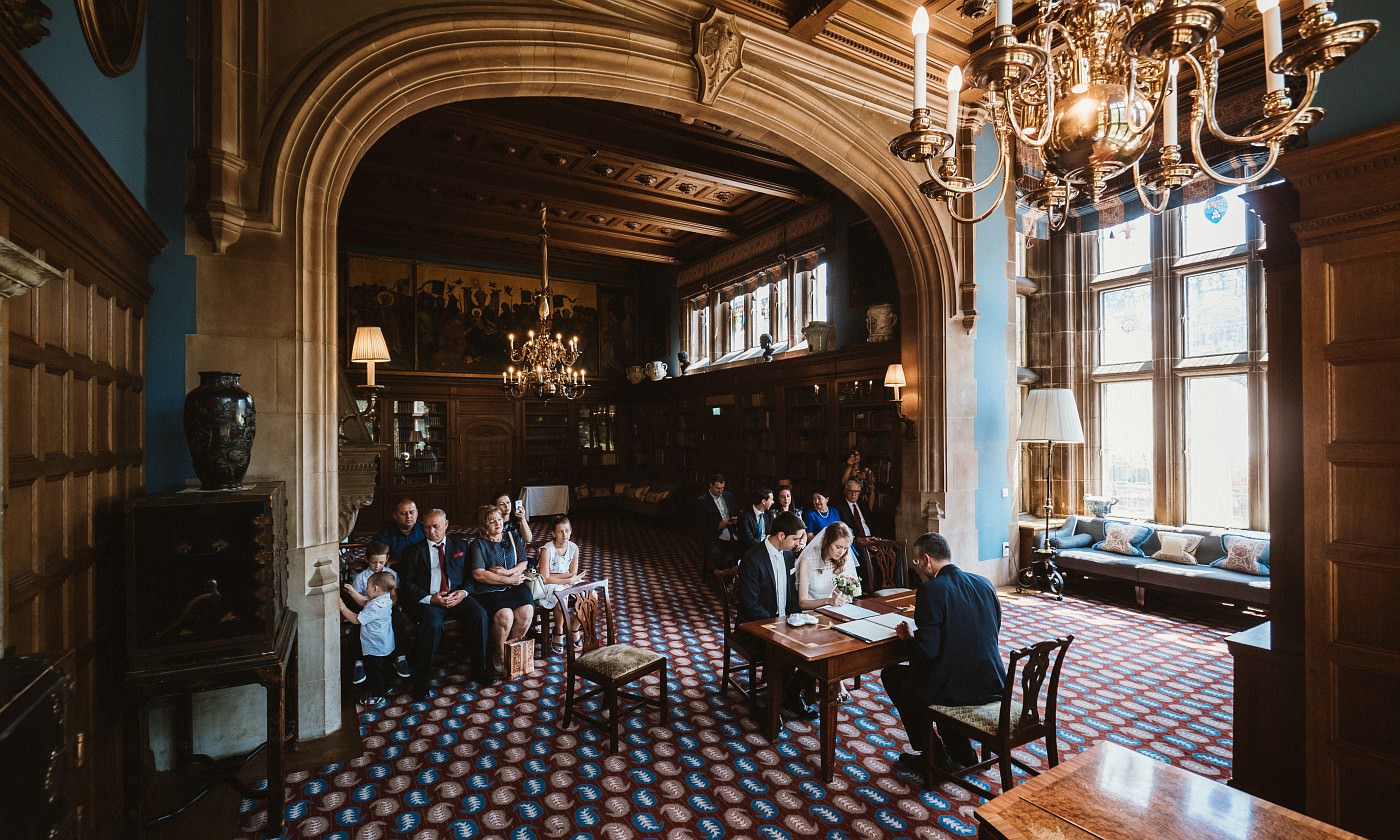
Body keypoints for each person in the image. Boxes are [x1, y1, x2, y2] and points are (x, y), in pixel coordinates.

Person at [883, 532, 1006, 775]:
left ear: (927, 560)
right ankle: (961, 751)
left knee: (894, 676)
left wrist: (908, 638)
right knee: (934, 674)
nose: (917, 568)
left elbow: (927, 651)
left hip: (956, 687)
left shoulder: (931, 590)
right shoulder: (984, 582)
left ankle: (933, 756)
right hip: (991, 680)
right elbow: (994, 629)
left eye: (916, 562)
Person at [735, 511, 818, 720]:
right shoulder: (752, 559)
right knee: (783, 653)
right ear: (781, 536)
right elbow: (750, 606)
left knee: (816, 648)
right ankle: (773, 711)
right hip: (755, 627)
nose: (799, 543)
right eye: (796, 538)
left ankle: (791, 695)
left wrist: (799, 618)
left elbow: (790, 594)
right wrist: (779, 625)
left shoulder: (789, 554)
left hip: (784, 623)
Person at [398, 509, 491, 693]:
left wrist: (463, 592)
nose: (431, 532)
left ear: (446, 525)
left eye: (436, 527)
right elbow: (407, 584)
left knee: (480, 615)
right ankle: (421, 681)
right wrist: (430, 598)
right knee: (431, 626)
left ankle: (480, 670)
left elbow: (471, 578)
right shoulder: (412, 552)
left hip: (457, 596)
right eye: (427, 527)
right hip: (431, 599)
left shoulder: (461, 546)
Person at [795, 522, 861, 702]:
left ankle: (834, 677)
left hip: (834, 611)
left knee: (854, 633)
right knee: (830, 637)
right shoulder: (808, 560)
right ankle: (836, 681)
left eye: (846, 548)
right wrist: (828, 601)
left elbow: (850, 590)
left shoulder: (843, 558)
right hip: (811, 615)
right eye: (838, 547)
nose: (842, 552)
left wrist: (843, 595)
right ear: (827, 542)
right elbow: (802, 602)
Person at [470, 505, 534, 677]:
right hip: (490, 589)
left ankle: (512, 652)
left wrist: (508, 574)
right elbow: (479, 574)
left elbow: (524, 562)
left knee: (527, 612)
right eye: (492, 521)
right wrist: (508, 580)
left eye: (499, 519)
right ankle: (498, 656)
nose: (497, 523)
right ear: (484, 526)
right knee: (506, 616)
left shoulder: (512, 536)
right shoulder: (477, 545)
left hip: (515, 584)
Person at [342, 542, 412, 684]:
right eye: (374, 562)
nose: (377, 566)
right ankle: (359, 661)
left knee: (397, 620)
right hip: (366, 608)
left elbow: (394, 596)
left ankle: (400, 656)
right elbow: (359, 600)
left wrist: (384, 608)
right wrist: (371, 608)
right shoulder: (361, 577)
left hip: (385, 607)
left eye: (381, 562)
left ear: (387, 559)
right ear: (367, 559)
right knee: (359, 625)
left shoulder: (391, 574)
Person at [337, 570, 397, 709]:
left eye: (367, 586)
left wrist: (342, 606)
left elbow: (356, 619)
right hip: (385, 643)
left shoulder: (375, 607)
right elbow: (365, 602)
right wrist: (352, 592)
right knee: (382, 667)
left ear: (375, 588)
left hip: (374, 646)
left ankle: (378, 696)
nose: (365, 588)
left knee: (373, 671)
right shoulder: (385, 598)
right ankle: (387, 686)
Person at [535, 514, 584, 652]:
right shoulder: (547, 550)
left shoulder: (574, 548)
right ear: (553, 533)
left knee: (591, 594)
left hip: (567, 582)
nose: (564, 535)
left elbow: (573, 572)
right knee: (561, 596)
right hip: (549, 585)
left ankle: (574, 629)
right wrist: (567, 579)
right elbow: (544, 578)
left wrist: (563, 577)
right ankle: (558, 631)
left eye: (567, 531)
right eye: (560, 531)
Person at [695, 473, 738, 568]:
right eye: (717, 488)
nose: (720, 491)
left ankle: (735, 578)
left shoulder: (729, 496)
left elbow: (736, 513)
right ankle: (723, 577)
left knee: (745, 551)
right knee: (718, 555)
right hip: (714, 535)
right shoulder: (702, 501)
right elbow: (701, 524)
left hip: (732, 532)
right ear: (711, 485)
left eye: (722, 488)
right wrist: (718, 526)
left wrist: (735, 520)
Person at [735, 487, 774, 558]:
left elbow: (771, 534)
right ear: (764, 501)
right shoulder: (744, 516)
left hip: (766, 550)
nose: (773, 502)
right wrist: (767, 545)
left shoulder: (769, 515)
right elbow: (749, 540)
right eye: (771, 499)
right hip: (749, 551)